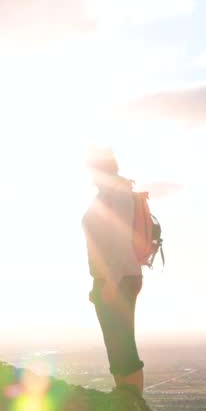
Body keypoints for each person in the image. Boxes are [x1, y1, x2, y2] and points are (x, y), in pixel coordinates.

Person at [82, 147, 145, 396]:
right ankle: (125, 399)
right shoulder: (107, 193)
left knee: (123, 344)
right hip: (111, 278)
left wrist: (108, 282)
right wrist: (98, 282)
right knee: (115, 344)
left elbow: (119, 240)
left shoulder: (118, 193)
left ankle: (133, 404)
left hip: (119, 278)